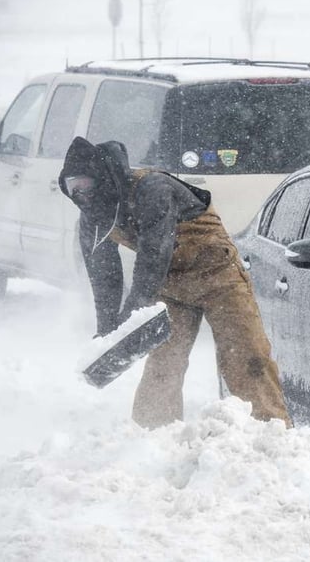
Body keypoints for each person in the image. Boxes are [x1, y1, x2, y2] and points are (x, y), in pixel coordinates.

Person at [59, 136, 291, 429]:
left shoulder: (151, 189)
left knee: (247, 358)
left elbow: (154, 255)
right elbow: (104, 276)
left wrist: (134, 311)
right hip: (170, 287)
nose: (81, 195)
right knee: (163, 367)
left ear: (102, 178)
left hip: (219, 276)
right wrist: (107, 332)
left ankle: (271, 431)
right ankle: (153, 437)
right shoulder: (93, 218)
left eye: (84, 185)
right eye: (72, 189)